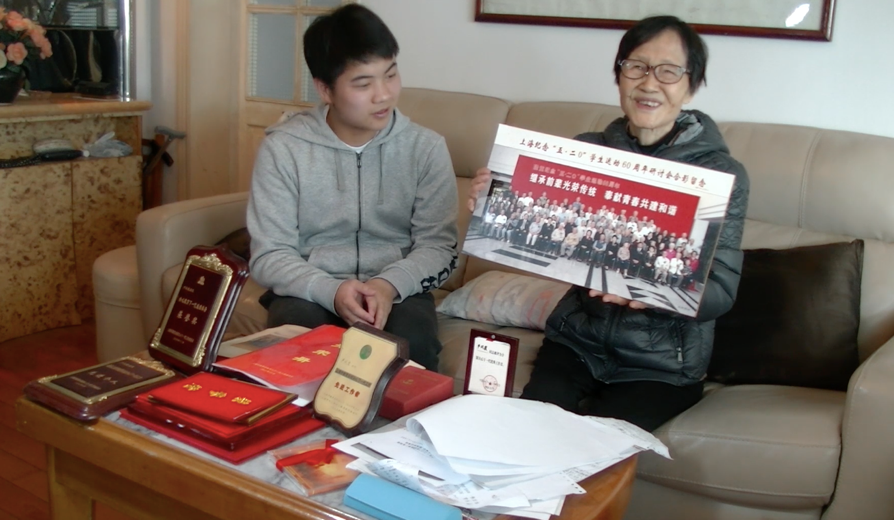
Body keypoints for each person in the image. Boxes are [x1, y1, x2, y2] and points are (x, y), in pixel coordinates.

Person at [468, 15, 749, 431]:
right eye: (636, 67)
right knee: (524, 433)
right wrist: (493, 202)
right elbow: (543, 237)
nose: (649, 83)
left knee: (598, 452)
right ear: (619, 76)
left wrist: (655, 293)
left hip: (661, 366)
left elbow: (721, 289)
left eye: (668, 71)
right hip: (575, 344)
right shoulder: (585, 153)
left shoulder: (721, 176)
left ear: (691, 86)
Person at [247, 5, 458, 372]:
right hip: (311, 287)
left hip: (398, 288)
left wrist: (387, 285)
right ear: (325, 89)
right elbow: (269, 254)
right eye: (363, 84)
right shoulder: (284, 149)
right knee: (296, 342)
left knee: (414, 345)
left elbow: (439, 246)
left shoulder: (425, 148)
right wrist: (331, 290)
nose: (384, 95)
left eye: (390, 75)